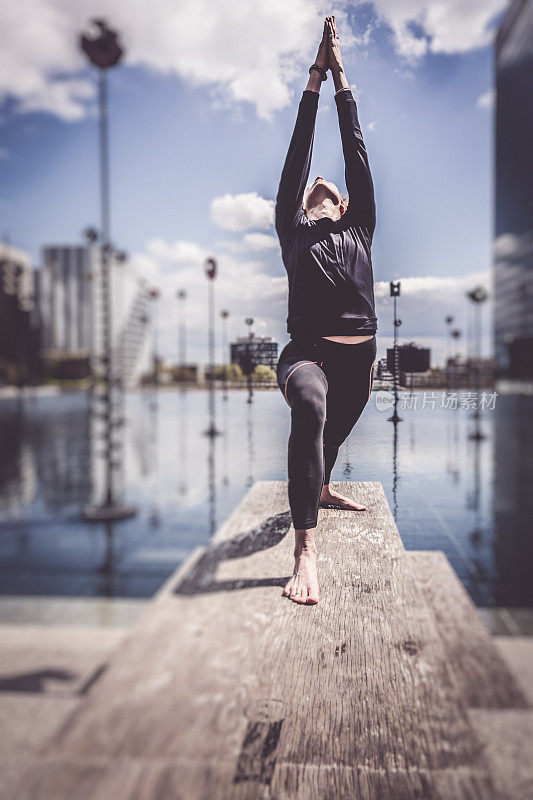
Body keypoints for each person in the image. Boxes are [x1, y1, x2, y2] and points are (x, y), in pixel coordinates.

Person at [275, 16, 378, 605]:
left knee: (332, 435)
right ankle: (304, 554)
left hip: (360, 362)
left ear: (343, 204)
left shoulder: (359, 229)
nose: (317, 182)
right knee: (312, 406)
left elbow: (354, 151)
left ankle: (321, 487)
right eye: (311, 187)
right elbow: (299, 155)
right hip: (306, 355)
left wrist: (345, 78)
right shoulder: (294, 234)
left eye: (329, 187)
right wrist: (315, 76)